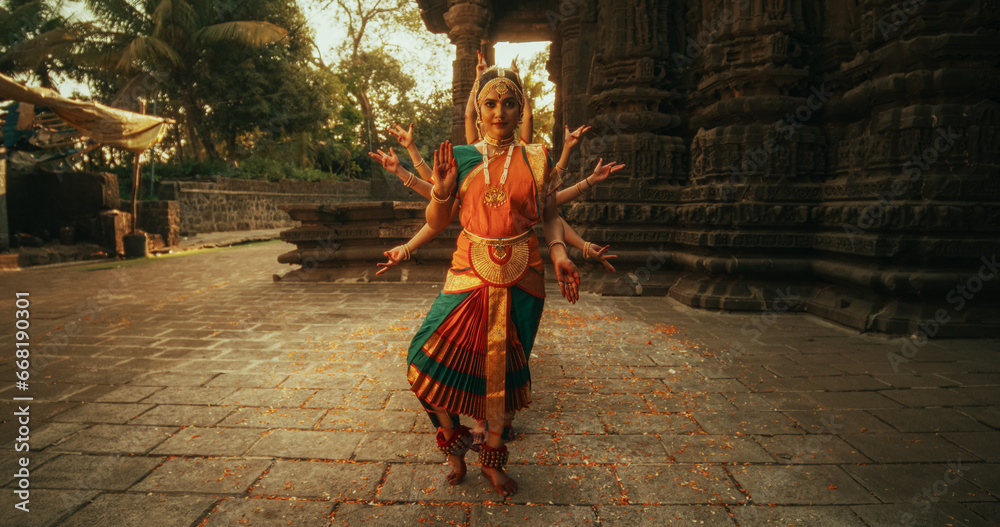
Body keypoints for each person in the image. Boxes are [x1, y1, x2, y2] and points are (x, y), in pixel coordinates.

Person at [374, 66, 624, 497]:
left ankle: (492, 460)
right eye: (490, 103)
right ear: (478, 107)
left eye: (509, 103)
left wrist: (563, 253)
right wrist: (437, 194)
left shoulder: (537, 156)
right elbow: (438, 220)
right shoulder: (461, 157)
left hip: (525, 275)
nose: (499, 112)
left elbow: (548, 215)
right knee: (421, 361)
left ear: (521, 107)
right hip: (468, 271)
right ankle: (452, 445)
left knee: (506, 377)